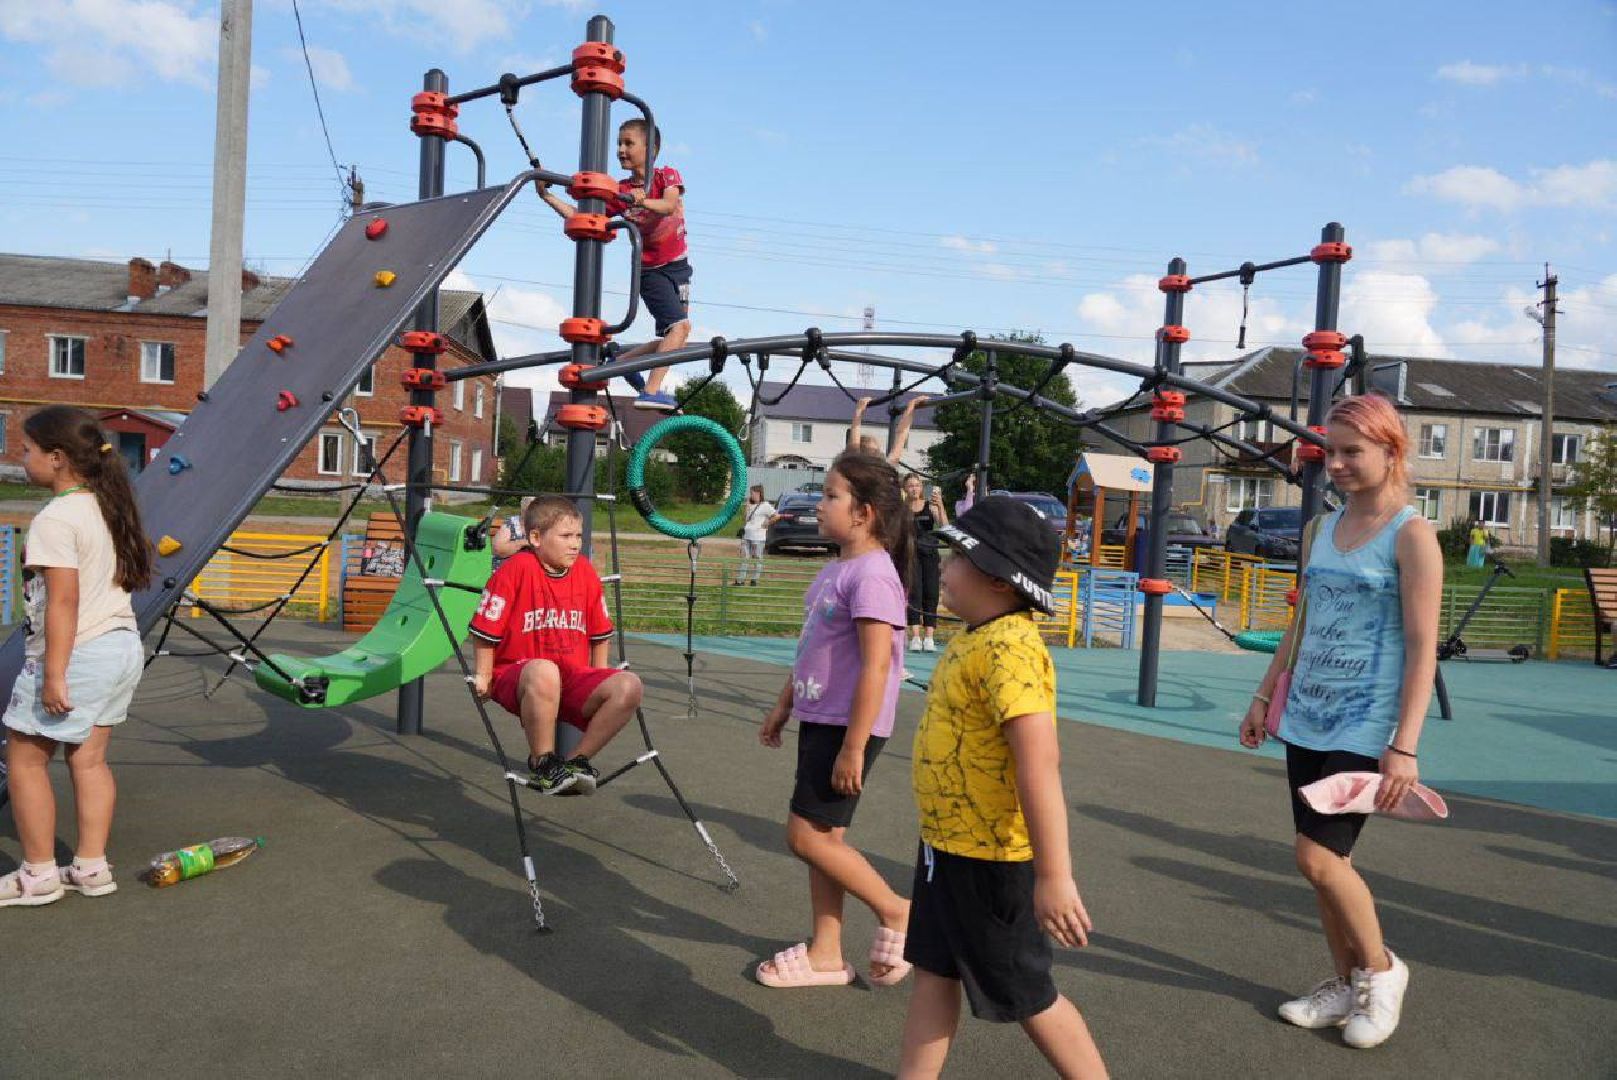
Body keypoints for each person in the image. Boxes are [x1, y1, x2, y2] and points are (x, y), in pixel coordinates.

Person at [1239, 393, 1442, 1050]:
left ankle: (1382, 971)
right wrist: (1263, 694)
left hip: (1364, 723)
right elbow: (1300, 620)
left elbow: (1421, 646)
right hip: (1305, 716)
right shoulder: (1316, 530)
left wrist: (1402, 746)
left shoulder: (1411, 535)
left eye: (1352, 451)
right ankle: (1341, 984)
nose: (1338, 464)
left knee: (1318, 858)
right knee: (1320, 864)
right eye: (1331, 452)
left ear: (1391, 450)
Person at [899, 496, 1107, 1079]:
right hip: (946, 848)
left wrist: (1053, 875)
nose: (945, 567)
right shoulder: (974, 634)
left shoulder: (1011, 647)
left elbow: (1039, 766)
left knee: (1027, 994)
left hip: (991, 860)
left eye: (957, 558)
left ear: (995, 577)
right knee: (935, 971)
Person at [755, 450, 914, 988]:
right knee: (825, 837)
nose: (819, 506)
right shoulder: (837, 569)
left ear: (864, 512)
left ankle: (897, 909)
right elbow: (812, 648)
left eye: (830, 496)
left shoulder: (873, 575)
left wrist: (854, 745)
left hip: (847, 726)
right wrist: (785, 703)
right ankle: (826, 952)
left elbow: (877, 666)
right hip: (821, 717)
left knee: (804, 836)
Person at [2, 406, 151, 907]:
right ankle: (90, 867)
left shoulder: (57, 517)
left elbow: (63, 601)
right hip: (120, 646)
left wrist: (53, 674)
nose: (22, 458)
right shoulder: (105, 506)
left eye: (28, 450)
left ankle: (39, 875)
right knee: (88, 762)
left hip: (79, 652)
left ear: (58, 458)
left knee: (23, 761)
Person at [471, 496, 644, 796]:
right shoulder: (516, 569)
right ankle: (543, 762)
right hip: (520, 676)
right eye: (565, 536)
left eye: (578, 535)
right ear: (536, 538)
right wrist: (483, 675)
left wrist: (599, 675)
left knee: (629, 684)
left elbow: (599, 633)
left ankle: (578, 761)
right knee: (544, 670)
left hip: (570, 677)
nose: (575, 544)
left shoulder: (586, 572)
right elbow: (486, 627)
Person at [540, 118, 689, 411]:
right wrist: (547, 196)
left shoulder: (666, 176)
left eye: (628, 143)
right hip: (650, 272)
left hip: (680, 266)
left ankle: (621, 362)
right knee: (680, 329)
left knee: (675, 337)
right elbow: (581, 216)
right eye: (618, 144)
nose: (621, 149)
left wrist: (643, 201)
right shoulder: (619, 193)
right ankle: (651, 390)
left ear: (652, 149)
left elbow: (669, 205)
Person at [901, 472, 948, 652]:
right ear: (905, 488)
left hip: (930, 553)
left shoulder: (931, 506)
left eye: (917, 485)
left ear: (922, 488)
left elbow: (944, 526)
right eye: (911, 485)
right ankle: (915, 636)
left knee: (931, 593)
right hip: (911, 554)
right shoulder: (902, 508)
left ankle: (929, 637)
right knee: (914, 594)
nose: (914, 488)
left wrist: (941, 505)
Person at [847, 395, 928, 465]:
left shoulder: (884, 469)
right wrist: (859, 411)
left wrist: (911, 406)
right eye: (873, 451)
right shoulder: (857, 470)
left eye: (877, 451)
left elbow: (901, 436)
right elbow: (854, 447)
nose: (878, 454)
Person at [735, 484, 775, 587]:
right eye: (750, 493)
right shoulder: (750, 505)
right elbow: (745, 519)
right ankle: (740, 580)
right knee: (744, 558)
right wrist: (747, 507)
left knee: (757, 558)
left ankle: (754, 580)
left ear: (758, 493)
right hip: (747, 536)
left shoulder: (765, 505)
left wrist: (767, 523)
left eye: (752, 493)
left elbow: (776, 516)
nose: (750, 495)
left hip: (758, 537)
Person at [489, 496, 536, 572]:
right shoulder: (512, 523)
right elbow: (498, 550)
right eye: (528, 507)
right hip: (507, 571)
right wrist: (523, 542)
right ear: (522, 507)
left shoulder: (542, 525)